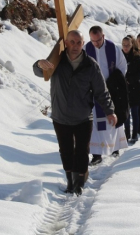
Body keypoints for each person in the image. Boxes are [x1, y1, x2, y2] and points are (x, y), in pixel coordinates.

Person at [33, 30, 116, 196]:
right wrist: (38, 64)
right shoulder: (57, 62)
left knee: (82, 151)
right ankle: (70, 181)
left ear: (83, 43)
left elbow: (101, 91)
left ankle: (78, 184)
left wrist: (110, 111)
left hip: (83, 117)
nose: (75, 46)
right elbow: (39, 71)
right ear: (66, 43)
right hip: (60, 116)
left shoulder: (90, 65)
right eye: (72, 42)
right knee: (65, 151)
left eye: (79, 42)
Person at [85, 26, 128, 165]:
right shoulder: (86, 49)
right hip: (93, 93)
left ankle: (114, 148)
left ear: (103, 36)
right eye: (93, 40)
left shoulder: (113, 49)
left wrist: (115, 82)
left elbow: (122, 66)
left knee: (112, 120)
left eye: (98, 40)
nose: (95, 44)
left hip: (111, 91)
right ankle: (96, 154)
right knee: (95, 123)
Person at [121, 36, 140, 143]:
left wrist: (130, 79)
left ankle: (135, 133)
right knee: (126, 113)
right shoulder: (120, 56)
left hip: (135, 87)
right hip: (124, 89)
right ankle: (126, 134)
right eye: (124, 45)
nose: (125, 47)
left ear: (132, 45)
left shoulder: (137, 57)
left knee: (135, 112)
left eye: (128, 45)